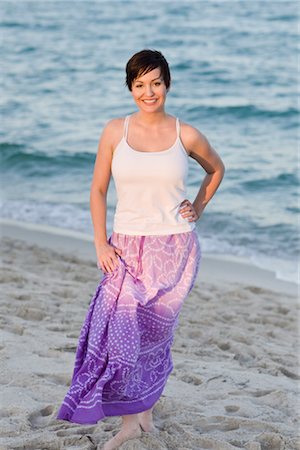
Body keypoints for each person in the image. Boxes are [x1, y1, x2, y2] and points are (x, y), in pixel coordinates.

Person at [56, 49, 225, 450]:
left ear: (167, 84)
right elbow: (98, 189)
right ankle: (132, 422)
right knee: (121, 331)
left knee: (155, 337)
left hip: (175, 249)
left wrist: (197, 207)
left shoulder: (187, 134)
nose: (148, 92)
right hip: (126, 248)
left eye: (156, 83)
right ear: (130, 88)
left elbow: (216, 169)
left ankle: (141, 416)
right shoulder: (116, 131)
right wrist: (100, 243)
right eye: (139, 85)